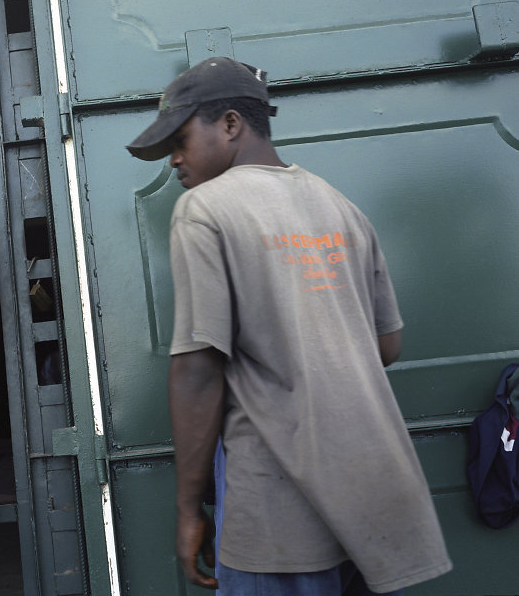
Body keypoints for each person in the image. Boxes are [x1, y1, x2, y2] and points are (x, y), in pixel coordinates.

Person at [126, 58, 452, 595]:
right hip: (373, 491)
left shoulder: (203, 208)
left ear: (231, 124)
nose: (175, 161)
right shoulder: (340, 206)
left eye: (180, 140)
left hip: (278, 505)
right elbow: (387, 345)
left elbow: (198, 371)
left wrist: (187, 509)